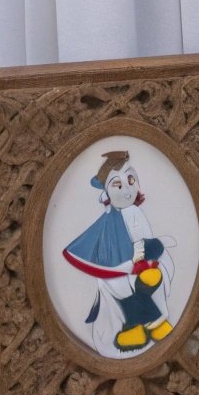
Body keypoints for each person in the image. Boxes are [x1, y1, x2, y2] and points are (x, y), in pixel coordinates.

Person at [62, 149, 176, 355]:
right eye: (117, 184)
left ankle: (145, 322)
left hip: (140, 263)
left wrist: (153, 248)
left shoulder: (135, 212)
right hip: (122, 266)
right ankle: (145, 326)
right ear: (106, 192)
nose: (126, 190)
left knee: (140, 282)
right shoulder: (109, 220)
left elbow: (144, 239)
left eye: (131, 180)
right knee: (120, 286)